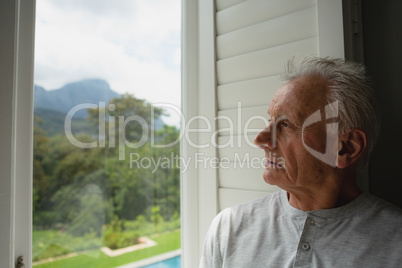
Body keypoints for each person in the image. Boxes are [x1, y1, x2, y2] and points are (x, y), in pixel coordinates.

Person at [200, 57, 402, 267]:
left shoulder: (396, 244)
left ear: (345, 148)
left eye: (286, 125)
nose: (260, 140)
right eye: (270, 121)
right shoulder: (229, 228)